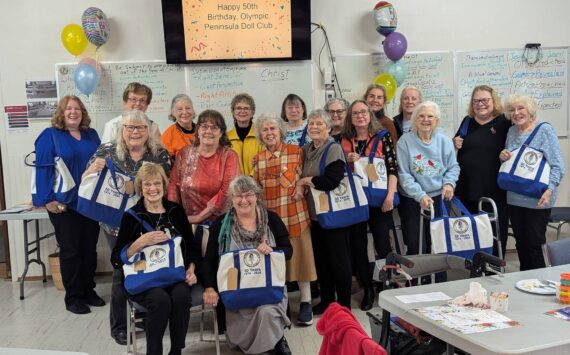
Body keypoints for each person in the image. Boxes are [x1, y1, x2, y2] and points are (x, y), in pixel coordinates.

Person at [84, 110, 172, 345]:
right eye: (130, 127)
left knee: (148, 267)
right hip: (115, 224)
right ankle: (120, 326)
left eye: (140, 128)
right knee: (121, 269)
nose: (135, 132)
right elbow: (87, 179)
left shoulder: (159, 154)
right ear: (121, 129)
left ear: (148, 130)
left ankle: (143, 316)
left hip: (148, 221)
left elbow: (166, 186)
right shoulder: (107, 151)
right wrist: (93, 169)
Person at [111, 163, 199, 355]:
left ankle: (176, 350)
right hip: (145, 279)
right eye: (147, 184)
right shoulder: (131, 217)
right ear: (140, 188)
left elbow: (191, 247)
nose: (153, 189)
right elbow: (116, 259)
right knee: (160, 301)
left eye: (157, 183)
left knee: (181, 297)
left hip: (175, 275)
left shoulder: (176, 211)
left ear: (164, 186)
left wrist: (191, 269)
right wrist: (139, 243)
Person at [201, 176, 293, 355]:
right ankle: (271, 342)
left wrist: (272, 250)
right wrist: (210, 287)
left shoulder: (271, 220)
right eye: (238, 196)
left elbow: (288, 251)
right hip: (237, 290)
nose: (243, 200)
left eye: (248, 195)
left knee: (267, 311)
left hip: (268, 288)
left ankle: (274, 342)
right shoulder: (221, 225)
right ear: (231, 199)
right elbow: (209, 261)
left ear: (256, 196)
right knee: (244, 314)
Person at [32, 96, 102, 315]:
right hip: (64, 205)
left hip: (90, 203)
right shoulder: (50, 136)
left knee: (89, 250)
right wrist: (47, 200)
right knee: (71, 251)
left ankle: (89, 290)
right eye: (68, 108)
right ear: (61, 113)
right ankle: (73, 297)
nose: (73, 112)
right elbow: (43, 169)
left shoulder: (92, 135)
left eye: (77, 108)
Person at [253, 114, 317, 326]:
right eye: (265, 130)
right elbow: (256, 190)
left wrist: (298, 185)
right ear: (260, 135)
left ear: (281, 130)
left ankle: (306, 302)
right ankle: (284, 304)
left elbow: (302, 180)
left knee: (302, 260)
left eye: (273, 128)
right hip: (272, 220)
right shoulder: (258, 159)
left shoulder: (296, 152)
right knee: (278, 263)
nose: (270, 133)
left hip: (295, 214)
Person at [340, 100, 398, 311]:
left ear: (369, 114)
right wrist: (348, 160)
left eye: (363, 112)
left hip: (380, 200)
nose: (360, 116)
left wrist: (390, 196)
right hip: (354, 202)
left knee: (383, 245)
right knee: (358, 248)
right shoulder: (343, 140)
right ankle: (368, 288)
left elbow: (393, 169)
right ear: (350, 117)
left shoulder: (383, 137)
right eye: (355, 113)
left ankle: (387, 284)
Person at [499, 94, 565, 271]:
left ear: (530, 110)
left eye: (521, 108)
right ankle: (524, 282)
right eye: (512, 110)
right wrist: (503, 156)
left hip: (538, 197)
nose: (516, 113)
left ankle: (539, 285)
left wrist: (549, 190)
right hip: (514, 196)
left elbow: (558, 166)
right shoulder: (512, 131)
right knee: (521, 243)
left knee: (535, 244)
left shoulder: (545, 130)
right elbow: (512, 163)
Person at [296, 109, 352, 314]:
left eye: (320, 123)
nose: (315, 127)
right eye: (311, 124)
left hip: (335, 216)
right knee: (322, 262)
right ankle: (327, 300)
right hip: (315, 216)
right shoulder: (306, 149)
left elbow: (331, 181)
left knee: (339, 262)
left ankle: (344, 305)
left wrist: (306, 181)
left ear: (328, 128)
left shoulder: (333, 149)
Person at [453, 85, 511, 258]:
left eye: (485, 100)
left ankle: (494, 269)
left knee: (495, 233)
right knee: (472, 234)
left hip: (495, 190)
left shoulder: (504, 122)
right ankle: (475, 268)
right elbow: (457, 145)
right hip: (468, 189)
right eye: (476, 101)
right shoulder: (467, 121)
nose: (481, 104)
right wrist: (454, 142)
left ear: (493, 101)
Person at [397, 101, 460, 260]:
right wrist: (420, 195)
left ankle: (439, 280)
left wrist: (449, 183)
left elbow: (453, 167)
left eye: (430, 116)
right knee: (415, 243)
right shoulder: (404, 141)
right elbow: (404, 174)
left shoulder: (444, 140)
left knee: (439, 243)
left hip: (439, 198)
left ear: (436, 120)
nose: (426, 120)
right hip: (413, 200)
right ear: (415, 119)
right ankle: (418, 281)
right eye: (421, 116)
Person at [168, 109, 240, 225]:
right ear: (198, 130)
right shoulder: (185, 153)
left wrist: (198, 218)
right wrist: (173, 213)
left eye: (214, 128)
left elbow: (227, 192)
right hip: (186, 222)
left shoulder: (229, 156)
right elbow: (173, 185)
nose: (208, 131)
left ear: (221, 133)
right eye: (204, 127)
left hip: (219, 224)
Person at [227, 93, 263, 176]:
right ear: (233, 112)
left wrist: (250, 180)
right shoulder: (226, 138)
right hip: (234, 186)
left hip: (256, 185)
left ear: (252, 112)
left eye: (246, 108)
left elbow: (264, 161)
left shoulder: (261, 135)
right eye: (238, 108)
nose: (242, 111)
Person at [161, 94, 196, 159]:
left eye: (188, 108)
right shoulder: (168, 136)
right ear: (173, 112)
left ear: (193, 111)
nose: (184, 112)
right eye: (180, 109)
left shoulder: (202, 130)